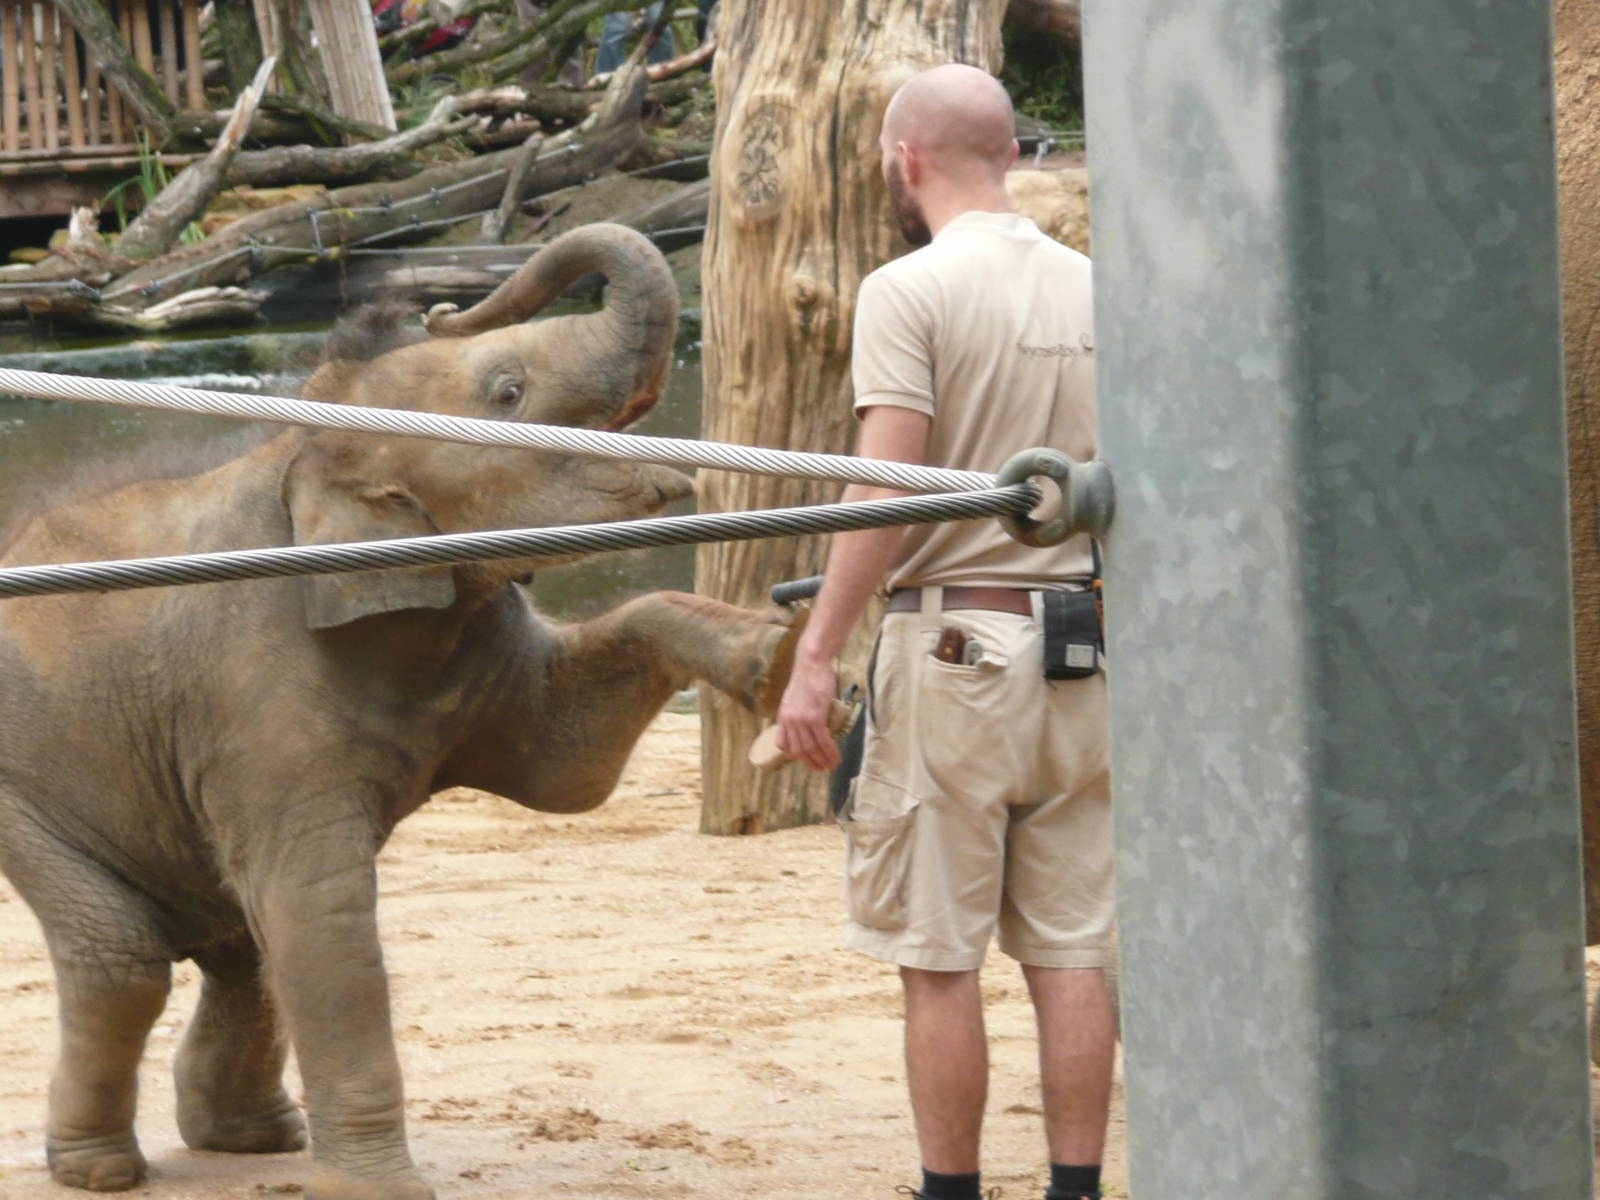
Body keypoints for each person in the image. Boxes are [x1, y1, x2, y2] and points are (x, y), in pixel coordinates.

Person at [774, 64, 1115, 1200]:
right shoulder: (1101, 288)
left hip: (957, 649)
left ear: (904, 160)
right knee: (1075, 950)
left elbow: (888, 486)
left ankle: (952, 1191)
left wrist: (816, 650)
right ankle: (1076, 1187)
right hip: (1088, 651)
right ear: (1011, 152)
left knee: (937, 954)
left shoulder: (905, 290)